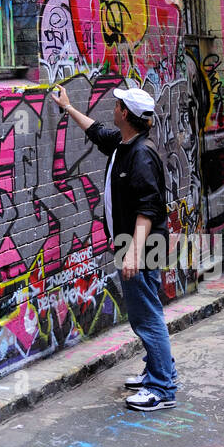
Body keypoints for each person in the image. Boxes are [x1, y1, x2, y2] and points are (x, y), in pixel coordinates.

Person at [52, 83, 177, 411]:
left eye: (119, 103)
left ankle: (162, 387)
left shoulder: (141, 155)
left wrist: (134, 251)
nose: (115, 105)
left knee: (146, 317)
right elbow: (96, 130)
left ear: (126, 114)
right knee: (146, 313)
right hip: (133, 244)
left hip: (140, 246)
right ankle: (157, 371)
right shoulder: (125, 143)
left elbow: (148, 208)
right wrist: (67, 107)